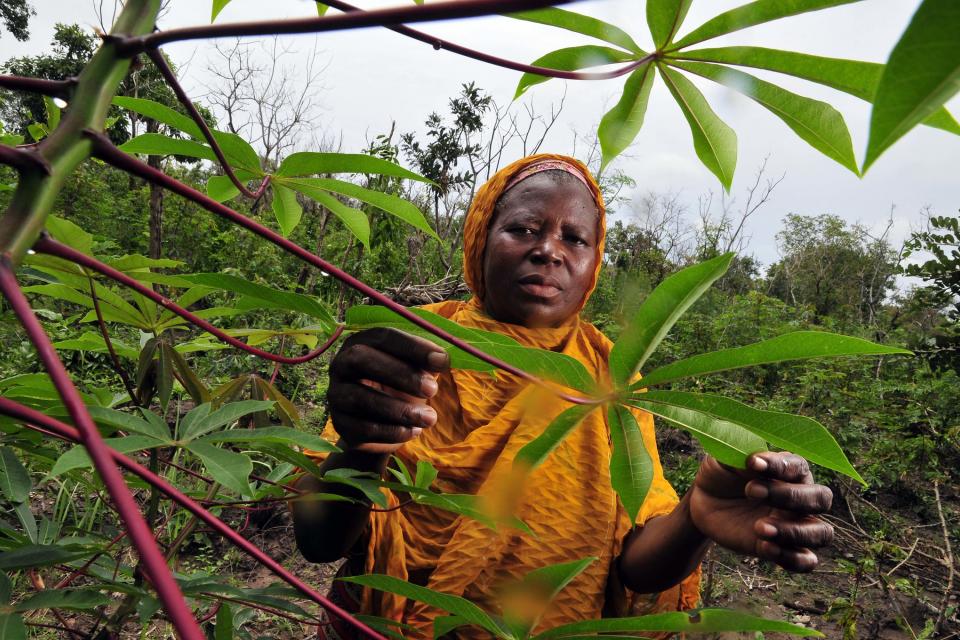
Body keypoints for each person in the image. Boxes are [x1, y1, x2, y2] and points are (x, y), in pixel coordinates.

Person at [292, 154, 834, 637]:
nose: (548, 251)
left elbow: (632, 567)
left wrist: (695, 517)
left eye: (575, 238)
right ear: (481, 238)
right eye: (524, 229)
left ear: (595, 261)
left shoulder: (611, 380)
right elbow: (318, 540)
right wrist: (361, 448)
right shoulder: (412, 349)